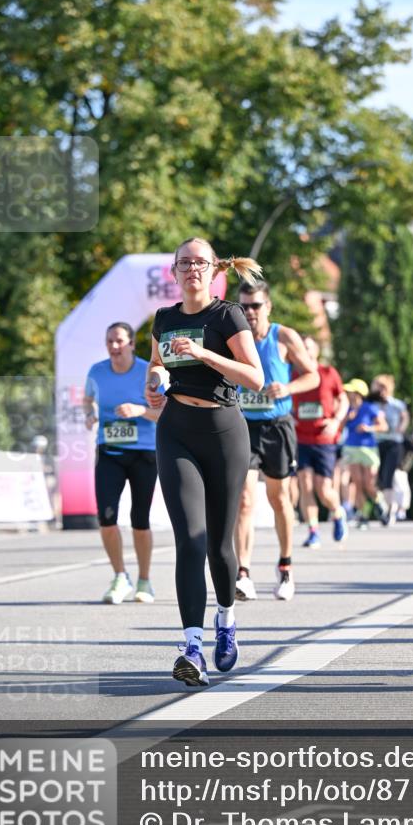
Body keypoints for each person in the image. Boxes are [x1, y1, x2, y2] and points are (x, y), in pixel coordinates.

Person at [144, 238, 264, 688]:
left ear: (214, 270)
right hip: (175, 429)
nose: (192, 268)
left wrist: (204, 355)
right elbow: (155, 367)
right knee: (189, 540)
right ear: (173, 272)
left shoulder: (227, 315)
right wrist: (155, 380)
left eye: (199, 262)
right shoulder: (165, 319)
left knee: (219, 544)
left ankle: (226, 620)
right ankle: (191, 647)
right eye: (184, 262)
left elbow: (255, 377)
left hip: (224, 432)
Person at [234, 281, 319, 603]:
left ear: (268, 306)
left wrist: (288, 389)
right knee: (244, 499)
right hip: (244, 426)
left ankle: (285, 566)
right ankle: (243, 573)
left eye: (255, 306)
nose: (250, 313)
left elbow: (313, 375)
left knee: (279, 498)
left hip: (278, 426)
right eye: (244, 307)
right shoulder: (235, 340)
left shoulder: (283, 336)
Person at [84, 322, 161, 605]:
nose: (114, 346)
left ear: (131, 344)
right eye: (109, 341)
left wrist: (141, 409)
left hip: (144, 453)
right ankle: (119, 576)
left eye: (119, 341)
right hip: (110, 452)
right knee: (106, 517)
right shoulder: (97, 371)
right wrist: (89, 414)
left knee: (139, 520)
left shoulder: (146, 371)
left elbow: (163, 412)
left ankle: (144, 581)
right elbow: (88, 399)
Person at [292, 336, 350, 549]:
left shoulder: (328, 373)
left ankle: (337, 512)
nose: (305, 352)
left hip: (324, 438)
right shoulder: (294, 374)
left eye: (308, 348)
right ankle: (313, 531)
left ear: (316, 351)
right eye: (302, 348)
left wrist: (336, 421)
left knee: (323, 489)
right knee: (305, 485)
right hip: (301, 437)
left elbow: (343, 400)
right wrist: (290, 416)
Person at [341, 379, 390, 528]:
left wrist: (369, 428)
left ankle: (380, 504)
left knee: (369, 484)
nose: (348, 394)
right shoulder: (347, 409)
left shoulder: (370, 408)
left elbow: (384, 426)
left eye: (351, 392)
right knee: (357, 483)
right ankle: (362, 515)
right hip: (351, 448)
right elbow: (339, 425)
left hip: (369, 449)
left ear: (359, 394)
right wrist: (346, 419)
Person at [370, 374, 409, 523]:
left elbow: (405, 417)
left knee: (389, 475)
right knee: (377, 478)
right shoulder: (373, 405)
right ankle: (383, 507)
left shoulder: (397, 405)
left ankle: (390, 511)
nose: (381, 391)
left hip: (394, 443)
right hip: (378, 443)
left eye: (383, 387)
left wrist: (401, 427)